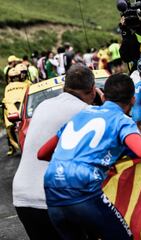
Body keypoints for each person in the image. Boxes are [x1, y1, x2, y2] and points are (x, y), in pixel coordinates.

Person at [38, 73, 141, 240]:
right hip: (83, 188)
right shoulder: (122, 120)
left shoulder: (80, 115)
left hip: (52, 189)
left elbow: (42, 153)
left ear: (104, 96)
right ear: (133, 100)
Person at [12, 64, 97, 240]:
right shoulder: (86, 112)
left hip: (22, 196)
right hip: (54, 200)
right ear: (93, 90)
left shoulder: (43, 106)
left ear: (64, 87)